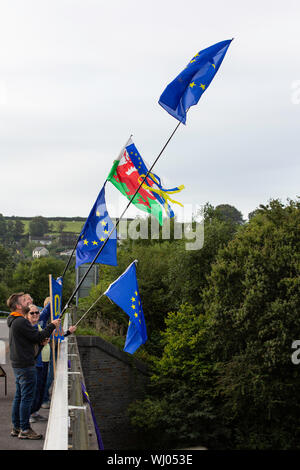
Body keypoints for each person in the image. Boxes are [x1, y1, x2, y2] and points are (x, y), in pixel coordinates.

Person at [7, 292, 61, 440]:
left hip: (19, 364)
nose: (29, 302)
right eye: (25, 300)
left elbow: (29, 340)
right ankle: (25, 429)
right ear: (19, 306)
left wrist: (38, 342)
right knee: (26, 398)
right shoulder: (21, 322)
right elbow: (38, 336)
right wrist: (52, 325)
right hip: (25, 365)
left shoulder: (14, 321)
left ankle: (17, 426)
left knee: (19, 397)